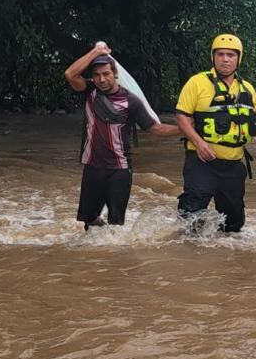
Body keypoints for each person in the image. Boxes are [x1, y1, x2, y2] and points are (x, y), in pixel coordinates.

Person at [63, 42, 179, 230]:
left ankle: (113, 255)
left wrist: (184, 129)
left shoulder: (131, 101)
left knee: (116, 225)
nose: (101, 79)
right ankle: (93, 255)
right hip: (92, 167)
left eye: (106, 74)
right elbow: (70, 74)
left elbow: (155, 129)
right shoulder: (89, 91)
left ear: (115, 74)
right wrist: (96, 52)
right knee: (89, 220)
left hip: (119, 169)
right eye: (97, 75)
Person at [174, 33, 256, 233]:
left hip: (234, 164)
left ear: (238, 59)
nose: (225, 59)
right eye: (220, 54)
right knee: (191, 217)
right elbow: (182, 118)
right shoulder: (197, 83)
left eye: (230, 55)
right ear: (213, 57)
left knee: (233, 224)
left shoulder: (247, 89)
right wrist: (199, 144)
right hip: (201, 161)